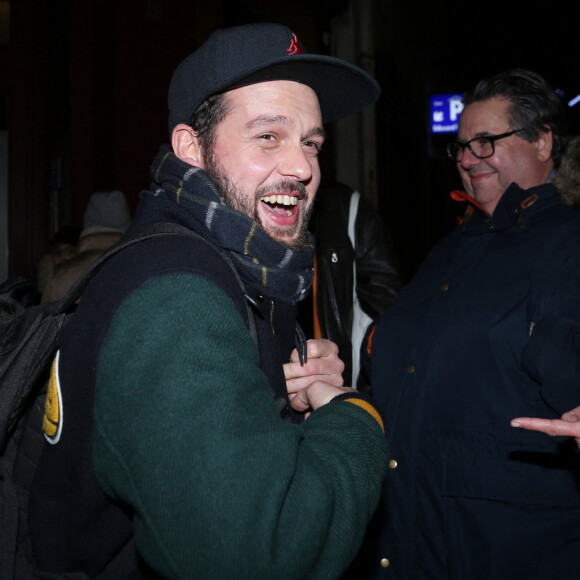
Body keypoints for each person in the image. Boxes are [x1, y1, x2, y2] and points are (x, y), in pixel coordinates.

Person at [25, 23, 389, 579]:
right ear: (190, 148)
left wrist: (285, 396)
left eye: (312, 142)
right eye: (269, 135)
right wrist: (351, 415)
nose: (303, 167)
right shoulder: (176, 298)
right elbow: (259, 555)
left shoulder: (236, 268)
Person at [358, 69, 580, 579]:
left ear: (542, 142)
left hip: (512, 549)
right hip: (410, 539)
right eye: (459, 147)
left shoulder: (569, 244)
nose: (466, 158)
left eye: (486, 142)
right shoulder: (448, 253)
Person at [298, 180, 401, 390]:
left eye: (309, 145)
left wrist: (357, 399)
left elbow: (387, 320)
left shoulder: (349, 212)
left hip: (333, 397)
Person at [41, 190, 131, 302]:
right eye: (57, 252)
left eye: (69, 251)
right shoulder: (141, 266)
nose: (63, 257)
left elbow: (46, 318)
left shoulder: (61, 275)